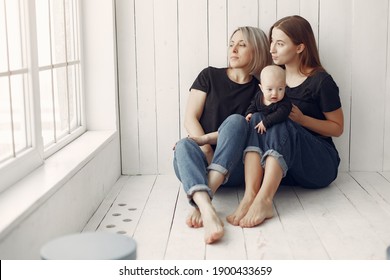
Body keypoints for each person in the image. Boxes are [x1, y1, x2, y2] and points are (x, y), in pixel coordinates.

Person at [227, 15, 344, 228]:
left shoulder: (320, 81)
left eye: (280, 43)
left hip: (319, 164)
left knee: (280, 118)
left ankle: (264, 200)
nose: (272, 49)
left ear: (300, 47)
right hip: (287, 171)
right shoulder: (271, 79)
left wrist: (303, 120)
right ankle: (250, 195)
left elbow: (337, 129)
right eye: (272, 42)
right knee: (260, 118)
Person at [173, 26, 272, 244]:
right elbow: (190, 118)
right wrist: (206, 149)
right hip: (199, 161)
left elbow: (242, 132)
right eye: (231, 44)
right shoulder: (209, 75)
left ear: (257, 51)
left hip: (233, 169)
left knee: (237, 122)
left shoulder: (260, 92)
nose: (233, 49)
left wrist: (211, 146)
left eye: (242, 45)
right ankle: (208, 210)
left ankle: (201, 200)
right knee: (182, 146)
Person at [245, 65, 291, 134]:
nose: (275, 93)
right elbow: (253, 105)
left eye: (280, 89)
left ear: (285, 86)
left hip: (278, 130)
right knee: (254, 119)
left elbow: (281, 113)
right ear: (262, 88)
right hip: (262, 127)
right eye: (270, 89)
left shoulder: (284, 101)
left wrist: (266, 122)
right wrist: (249, 113)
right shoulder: (259, 96)